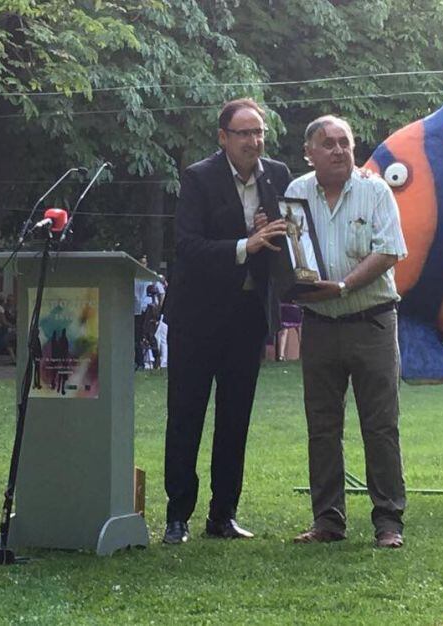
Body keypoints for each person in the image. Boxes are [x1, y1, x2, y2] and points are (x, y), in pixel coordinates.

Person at [162, 98, 290, 544]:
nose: (254, 141)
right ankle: (177, 516)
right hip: (196, 317)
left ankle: (223, 515)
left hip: (248, 317)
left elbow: (287, 236)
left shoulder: (277, 175)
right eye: (245, 133)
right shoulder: (198, 178)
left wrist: (274, 237)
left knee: (235, 418)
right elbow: (187, 246)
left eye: (259, 134)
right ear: (223, 138)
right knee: (186, 415)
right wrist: (245, 244)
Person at [287, 115, 408, 549]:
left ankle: (389, 523)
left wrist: (341, 286)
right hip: (319, 325)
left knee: (380, 426)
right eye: (328, 143)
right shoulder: (295, 194)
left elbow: (391, 249)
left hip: (371, 321)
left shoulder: (375, 190)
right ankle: (328, 522)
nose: (339, 150)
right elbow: (291, 253)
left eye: (345, 142)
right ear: (309, 152)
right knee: (322, 427)